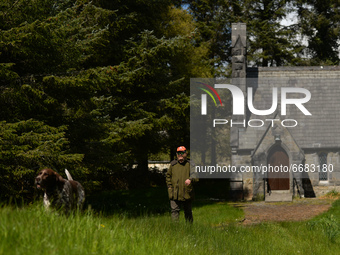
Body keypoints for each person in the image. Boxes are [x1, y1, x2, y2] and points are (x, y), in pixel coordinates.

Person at [166, 146, 198, 222]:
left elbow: (196, 176)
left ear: (186, 154)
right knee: (174, 211)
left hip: (187, 192)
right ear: (176, 154)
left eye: (182, 153)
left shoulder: (190, 164)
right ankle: (175, 230)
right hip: (175, 192)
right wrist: (170, 186)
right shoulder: (173, 165)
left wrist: (190, 179)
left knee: (188, 212)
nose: (180, 155)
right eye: (178, 153)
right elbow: (168, 176)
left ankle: (189, 229)